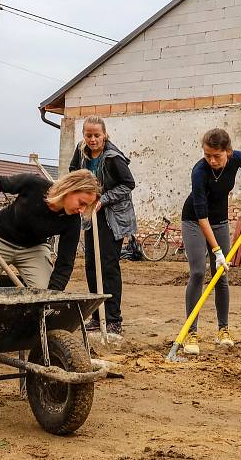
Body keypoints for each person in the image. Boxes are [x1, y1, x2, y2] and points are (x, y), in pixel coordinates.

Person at [0, 169, 101, 363]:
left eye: (86, 206)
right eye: (81, 203)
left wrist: (51, 297)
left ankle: (38, 345)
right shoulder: (34, 184)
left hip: (34, 249)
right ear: (70, 189)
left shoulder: (72, 221)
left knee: (42, 296)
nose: (82, 209)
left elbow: (65, 263)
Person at [180, 128, 241, 355]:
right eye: (207, 155)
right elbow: (201, 216)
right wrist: (217, 250)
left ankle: (223, 330)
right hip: (195, 221)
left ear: (227, 151)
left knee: (221, 274)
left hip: (219, 221)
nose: (211, 160)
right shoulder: (199, 172)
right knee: (198, 272)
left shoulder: (236, 158)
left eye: (216, 155)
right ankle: (191, 332)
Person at [69, 116, 137, 336]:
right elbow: (73, 172)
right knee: (91, 266)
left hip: (112, 218)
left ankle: (114, 319)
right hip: (91, 216)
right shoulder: (81, 152)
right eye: (88, 135)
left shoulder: (113, 157)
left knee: (108, 267)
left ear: (104, 135)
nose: (92, 139)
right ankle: (98, 318)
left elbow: (128, 184)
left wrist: (103, 199)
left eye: (96, 135)